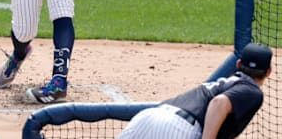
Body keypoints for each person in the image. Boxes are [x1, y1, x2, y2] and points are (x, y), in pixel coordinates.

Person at [117, 42, 273, 139]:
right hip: (178, 130)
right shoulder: (252, 91)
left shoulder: (227, 83)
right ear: (268, 72)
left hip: (148, 117)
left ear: (238, 64)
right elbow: (219, 103)